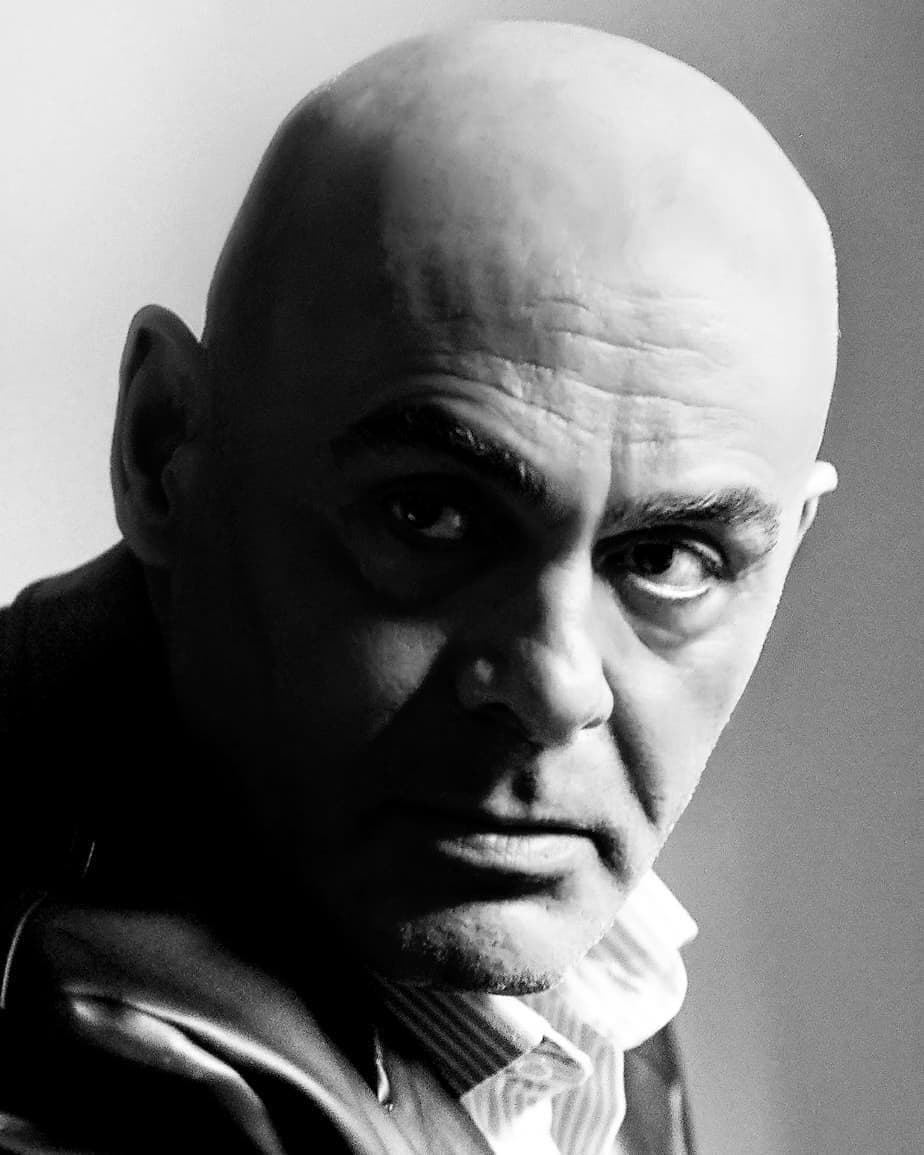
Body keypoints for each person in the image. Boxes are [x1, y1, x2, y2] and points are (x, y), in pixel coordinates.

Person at [0, 20, 839, 1155]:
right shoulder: (78, 1068)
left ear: (785, 551)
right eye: (430, 517)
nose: (555, 686)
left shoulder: (572, 942)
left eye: (664, 560)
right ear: (165, 451)